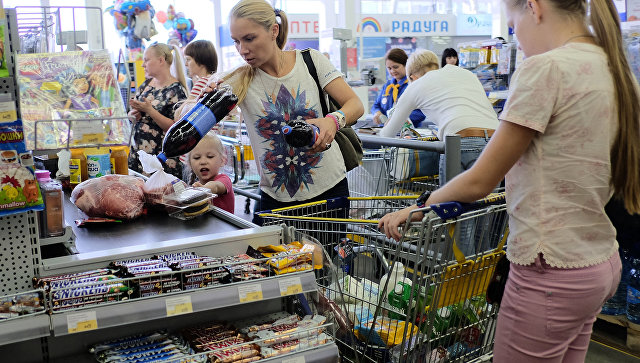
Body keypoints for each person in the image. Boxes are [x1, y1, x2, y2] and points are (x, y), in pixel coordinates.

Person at [380, 0, 640, 361]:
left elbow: (480, 181)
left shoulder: (544, 70)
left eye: (513, 27)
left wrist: (421, 207)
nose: (517, 40)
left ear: (533, 8)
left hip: (549, 270)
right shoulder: (614, 67)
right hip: (599, 264)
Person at [219, 0, 363, 224]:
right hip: (275, 199)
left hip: (329, 192)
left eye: (249, 38)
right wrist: (199, 100)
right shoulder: (239, 80)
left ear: (273, 31)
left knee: (328, 259)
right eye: (236, 41)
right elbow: (187, 120)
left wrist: (333, 121)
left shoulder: (310, 61)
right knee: (270, 259)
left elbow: (355, 104)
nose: (242, 49)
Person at [380, 49, 498, 186]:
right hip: (496, 140)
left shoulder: (417, 85)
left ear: (412, 77)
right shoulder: (465, 73)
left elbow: (386, 135)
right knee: (487, 205)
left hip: (462, 142)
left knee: (451, 203)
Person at [128, 42, 188, 179]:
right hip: (139, 155)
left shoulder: (176, 91)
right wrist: (133, 115)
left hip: (161, 159)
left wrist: (149, 110)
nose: (143, 65)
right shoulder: (145, 85)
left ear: (161, 60)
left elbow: (176, 127)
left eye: (146, 60)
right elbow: (137, 116)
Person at [371, 48, 425, 128]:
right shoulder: (388, 86)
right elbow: (376, 105)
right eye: (389, 68)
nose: (392, 71)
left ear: (406, 65)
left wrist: (398, 119)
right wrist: (377, 113)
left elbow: (421, 113)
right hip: (386, 131)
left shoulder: (414, 85)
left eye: (395, 67)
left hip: (408, 133)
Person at [186, 132, 235, 214]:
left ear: (222, 160)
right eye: (197, 158)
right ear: (190, 164)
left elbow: (215, 186)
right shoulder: (196, 186)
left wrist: (204, 190)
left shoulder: (224, 179)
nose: (203, 162)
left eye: (210, 156)